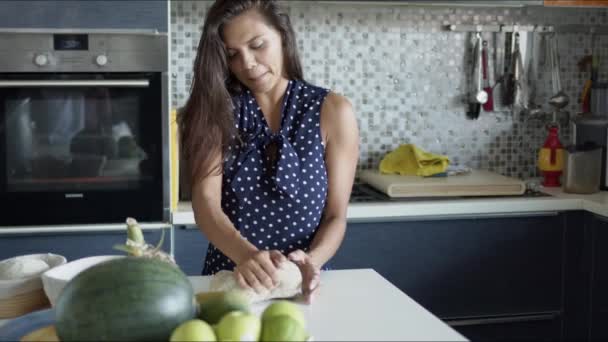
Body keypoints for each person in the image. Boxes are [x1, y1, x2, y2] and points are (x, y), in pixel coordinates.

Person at [178, 0, 359, 304]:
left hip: (305, 285)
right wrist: (247, 256)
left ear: (283, 36)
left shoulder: (333, 111)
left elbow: (336, 215)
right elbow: (206, 204)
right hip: (231, 283)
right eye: (233, 55)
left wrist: (310, 262)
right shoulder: (216, 113)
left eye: (257, 45)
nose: (246, 63)